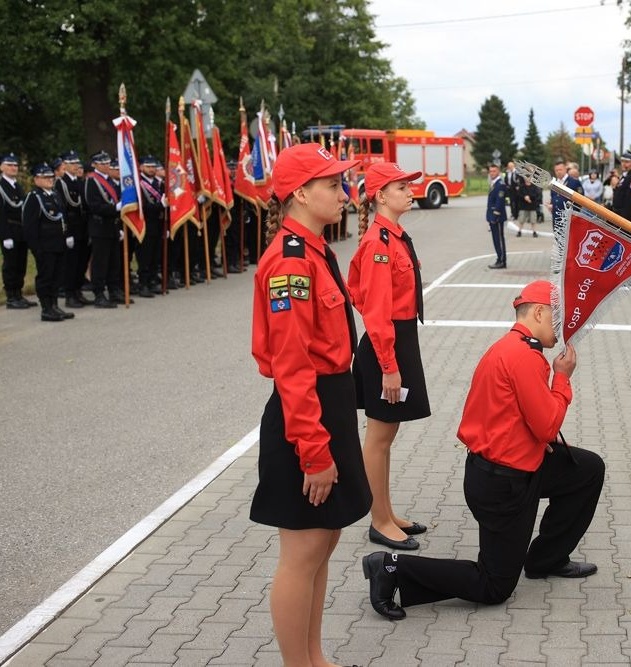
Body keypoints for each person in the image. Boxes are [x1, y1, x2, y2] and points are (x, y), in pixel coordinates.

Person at [361, 281, 604, 620]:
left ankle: (545, 559)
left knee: (588, 469)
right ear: (538, 312)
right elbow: (547, 426)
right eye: (559, 318)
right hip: (502, 486)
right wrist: (562, 379)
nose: (563, 329)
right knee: (495, 586)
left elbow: (513, 420)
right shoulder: (523, 357)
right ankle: (390, 567)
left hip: (511, 467)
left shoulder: (510, 346)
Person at [249, 142, 372, 667]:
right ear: (300, 193)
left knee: (323, 545)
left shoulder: (317, 249)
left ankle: (314, 656)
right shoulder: (290, 264)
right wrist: (314, 452)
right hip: (307, 417)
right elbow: (292, 368)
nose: (344, 194)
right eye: (331, 185)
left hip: (331, 407)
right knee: (301, 555)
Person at [348, 162, 432, 551]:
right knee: (379, 437)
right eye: (402, 186)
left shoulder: (392, 236)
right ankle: (379, 521)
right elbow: (376, 311)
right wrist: (389, 367)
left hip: (398, 341)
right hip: (387, 346)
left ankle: (387, 510)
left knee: (388, 434)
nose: (411, 190)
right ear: (381, 195)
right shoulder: (378, 245)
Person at [22, 163, 73, 321]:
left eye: (51, 177)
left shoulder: (55, 195)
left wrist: (67, 236)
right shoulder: (34, 197)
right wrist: (36, 249)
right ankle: (46, 308)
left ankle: (55, 305)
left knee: (57, 277)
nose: (50, 180)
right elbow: (29, 226)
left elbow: (63, 218)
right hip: (45, 246)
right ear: (36, 179)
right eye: (46, 177)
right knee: (46, 277)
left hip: (59, 244)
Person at [0, 153, 36, 309]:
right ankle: (11, 296)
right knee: (11, 265)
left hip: (21, 230)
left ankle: (19, 294)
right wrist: (5, 236)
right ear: (1, 167)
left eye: (15, 165)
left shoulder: (16, 185)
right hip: (9, 230)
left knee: (21, 264)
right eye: (9, 165)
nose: (13, 168)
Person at [84, 151, 122, 308]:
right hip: (100, 227)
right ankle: (99, 293)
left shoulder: (110, 181)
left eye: (107, 163)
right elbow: (93, 206)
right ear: (94, 165)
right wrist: (114, 208)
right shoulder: (92, 181)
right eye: (102, 163)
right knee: (100, 262)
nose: (106, 166)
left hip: (112, 226)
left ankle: (114, 291)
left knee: (114, 261)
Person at [56, 151, 92, 307]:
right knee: (71, 263)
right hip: (71, 227)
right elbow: (62, 209)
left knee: (81, 262)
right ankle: (70, 294)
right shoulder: (60, 183)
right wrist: (67, 233)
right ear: (64, 165)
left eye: (77, 163)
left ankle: (78, 290)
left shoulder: (80, 182)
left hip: (83, 227)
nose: (76, 166)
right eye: (72, 163)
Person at [136, 156, 164, 297]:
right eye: (148, 166)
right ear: (141, 167)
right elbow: (142, 207)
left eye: (153, 167)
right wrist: (160, 206)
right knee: (145, 257)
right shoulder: (138, 184)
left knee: (155, 255)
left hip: (159, 224)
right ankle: (143, 284)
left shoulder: (159, 184)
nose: (152, 169)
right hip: (145, 224)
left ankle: (153, 281)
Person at [486, 163, 508, 269]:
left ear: (498, 171)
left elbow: (500, 202)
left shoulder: (500, 184)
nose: (492, 173)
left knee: (499, 239)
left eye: (494, 171)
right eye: (490, 171)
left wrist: (494, 216)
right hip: (492, 217)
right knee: (495, 239)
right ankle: (499, 258)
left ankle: (502, 261)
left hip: (497, 217)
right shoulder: (494, 183)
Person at [611, 151, 631, 225]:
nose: (623, 164)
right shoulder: (625, 176)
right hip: (618, 214)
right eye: (622, 161)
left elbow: (629, 201)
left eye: (627, 162)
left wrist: (623, 221)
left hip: (625, 217)